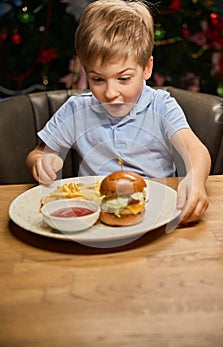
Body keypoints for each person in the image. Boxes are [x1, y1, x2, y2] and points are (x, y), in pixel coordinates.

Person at [26, 0, 211, 223]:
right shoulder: (77, 110)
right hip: (95, 216)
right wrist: (41, 163)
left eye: (123, 79)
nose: (111, 92)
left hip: (156, 214)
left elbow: (195, 150)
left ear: (147, 68)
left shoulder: (161, 105)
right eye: (97, 79)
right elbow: (37, 154)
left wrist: (195, 178)